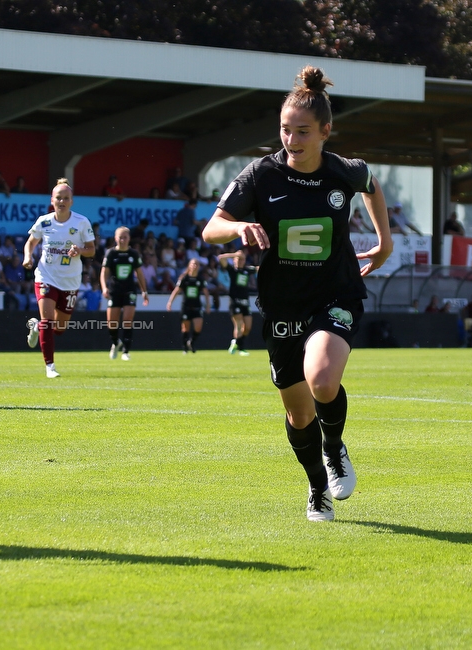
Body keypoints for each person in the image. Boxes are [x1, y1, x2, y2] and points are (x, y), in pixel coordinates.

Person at [202, 66, 393, 522]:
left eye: (303, 131)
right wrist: (238, 226)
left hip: (336, 292)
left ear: (326, 132)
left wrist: (385, 242)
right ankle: (316, 486)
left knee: (323, 380)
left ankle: (335, 450)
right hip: (282, 303)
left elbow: (371, 184)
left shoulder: (342, 171)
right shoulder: (260, 175)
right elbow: (211, 230)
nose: (292, 140)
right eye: (285, 130)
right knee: (299, 415)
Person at [22, 178, 96, 378]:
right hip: (46, 276)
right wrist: (28, 257)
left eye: (66, 198)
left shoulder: (81, 222)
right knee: (47, 319)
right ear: (52, 200)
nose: (62, 201)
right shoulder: (44, 221)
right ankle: (50, 367)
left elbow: (92, 250)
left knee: (60, 328)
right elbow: (30, 242)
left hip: (70, 281)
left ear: (71, 201)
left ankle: (37, 327)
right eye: (58, 198)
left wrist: (80, 250)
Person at [100, 226, 149, 361]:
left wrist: (144, 291)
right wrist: (104, 288)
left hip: (129, 290)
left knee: (127, 320)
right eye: (120, 237)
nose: (122, 240)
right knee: (112, 323)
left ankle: (126, 351)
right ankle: (116, 343)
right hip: (114, 291)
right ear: (115, 238)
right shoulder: (111, 254)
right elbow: (104, 273)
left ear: (129, 239)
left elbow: (139, 274)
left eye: (125, 237)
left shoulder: (133, 254)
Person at [218, 248, 257, 356]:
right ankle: (241, 348)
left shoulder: (247, 270)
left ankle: (236, 342)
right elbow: (221, 258)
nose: (240, 261)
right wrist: (234, 254)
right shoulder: (232, 270)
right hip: (235, 301)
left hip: (245, 301)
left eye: (242, 259)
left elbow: (259, 268)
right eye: (238, 259)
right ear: (234, 260)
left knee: (248, 327)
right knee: (239, 324)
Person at [167, 258, 210, 353]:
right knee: (185, 328)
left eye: (196, 264)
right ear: (189, 266)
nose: (194, 266)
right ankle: (184, 348)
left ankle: (191, 342)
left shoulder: (200, 279)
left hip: (197, 306)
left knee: (198, 327)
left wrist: (208, 305)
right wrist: (170, 302)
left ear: (199, 267)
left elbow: (206, 293)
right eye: (193, 264)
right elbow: (176, 290)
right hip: (186, 306)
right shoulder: (184, 278)